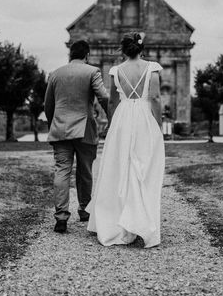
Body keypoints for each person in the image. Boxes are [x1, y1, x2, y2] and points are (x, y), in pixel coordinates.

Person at [87, 32, 165, 248]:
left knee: (119, 166)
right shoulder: (153, 68)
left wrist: (113, 125)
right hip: (143, 115)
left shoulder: (116, 71)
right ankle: (139, 220)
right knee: (143, 166)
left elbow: (112, 101)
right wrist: (157, 125)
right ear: (142, 48)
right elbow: (156, 98)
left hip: (122, 117)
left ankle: (120, 220)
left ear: (124, 50)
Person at [44, 40, 109, 234]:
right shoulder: (92, 72)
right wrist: (112, 117)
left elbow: (48, 105)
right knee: (85, 170)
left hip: (60, 129)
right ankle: (84, 210)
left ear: (70, 55)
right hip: (84, 129)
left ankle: (61, 217)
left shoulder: (55, 74)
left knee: (62, 171)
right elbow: (104, 96)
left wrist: (52, 124)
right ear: (87, 55)